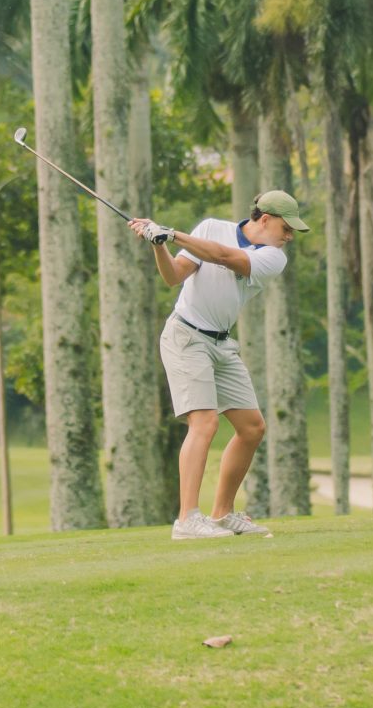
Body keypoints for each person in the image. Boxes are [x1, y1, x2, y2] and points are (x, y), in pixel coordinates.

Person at [132, 190, 309, 542]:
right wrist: (158, 244)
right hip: (186, 336)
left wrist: (172, 233)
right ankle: (186, 520)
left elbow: (227, 258)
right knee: (205, 422)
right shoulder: (212, 227)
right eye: (286, 228)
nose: (289, 237)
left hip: (222, 344)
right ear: (265, 219)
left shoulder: (273, 257)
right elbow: (174, 276)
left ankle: (223, 514)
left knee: (252, 428)